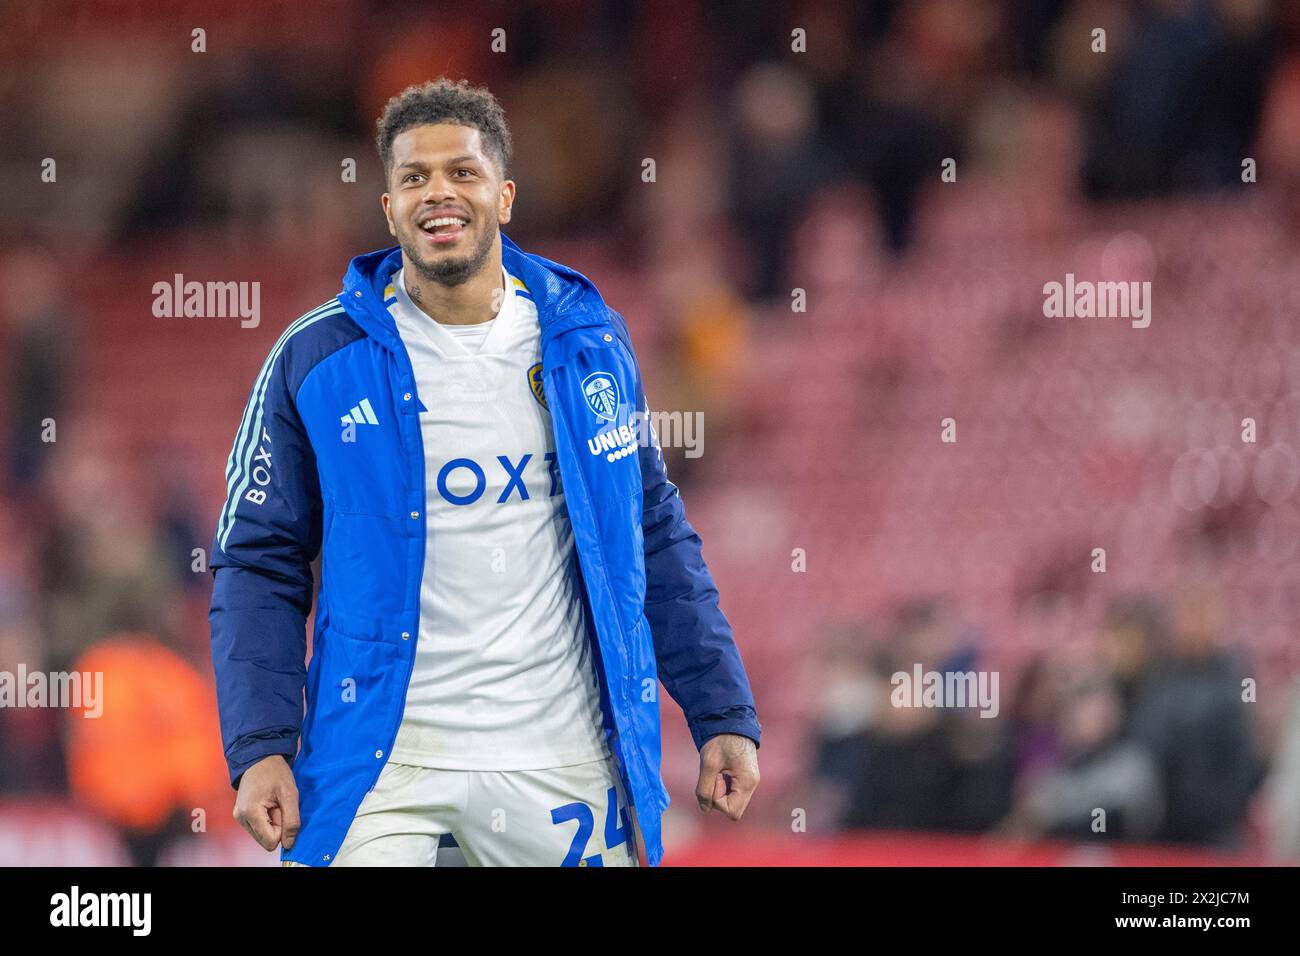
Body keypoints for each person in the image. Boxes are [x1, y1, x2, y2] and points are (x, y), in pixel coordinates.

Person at [208, 78, 761, 867]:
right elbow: (258, 561)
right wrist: (261, 743)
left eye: (462, 172)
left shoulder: (588, 341)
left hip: (559, 752)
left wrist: (722, 710)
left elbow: (651, 531)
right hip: (381, 762)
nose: (439, 192)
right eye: (414, 177)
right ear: (388, 209)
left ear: (503, 195)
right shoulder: (315, 359)